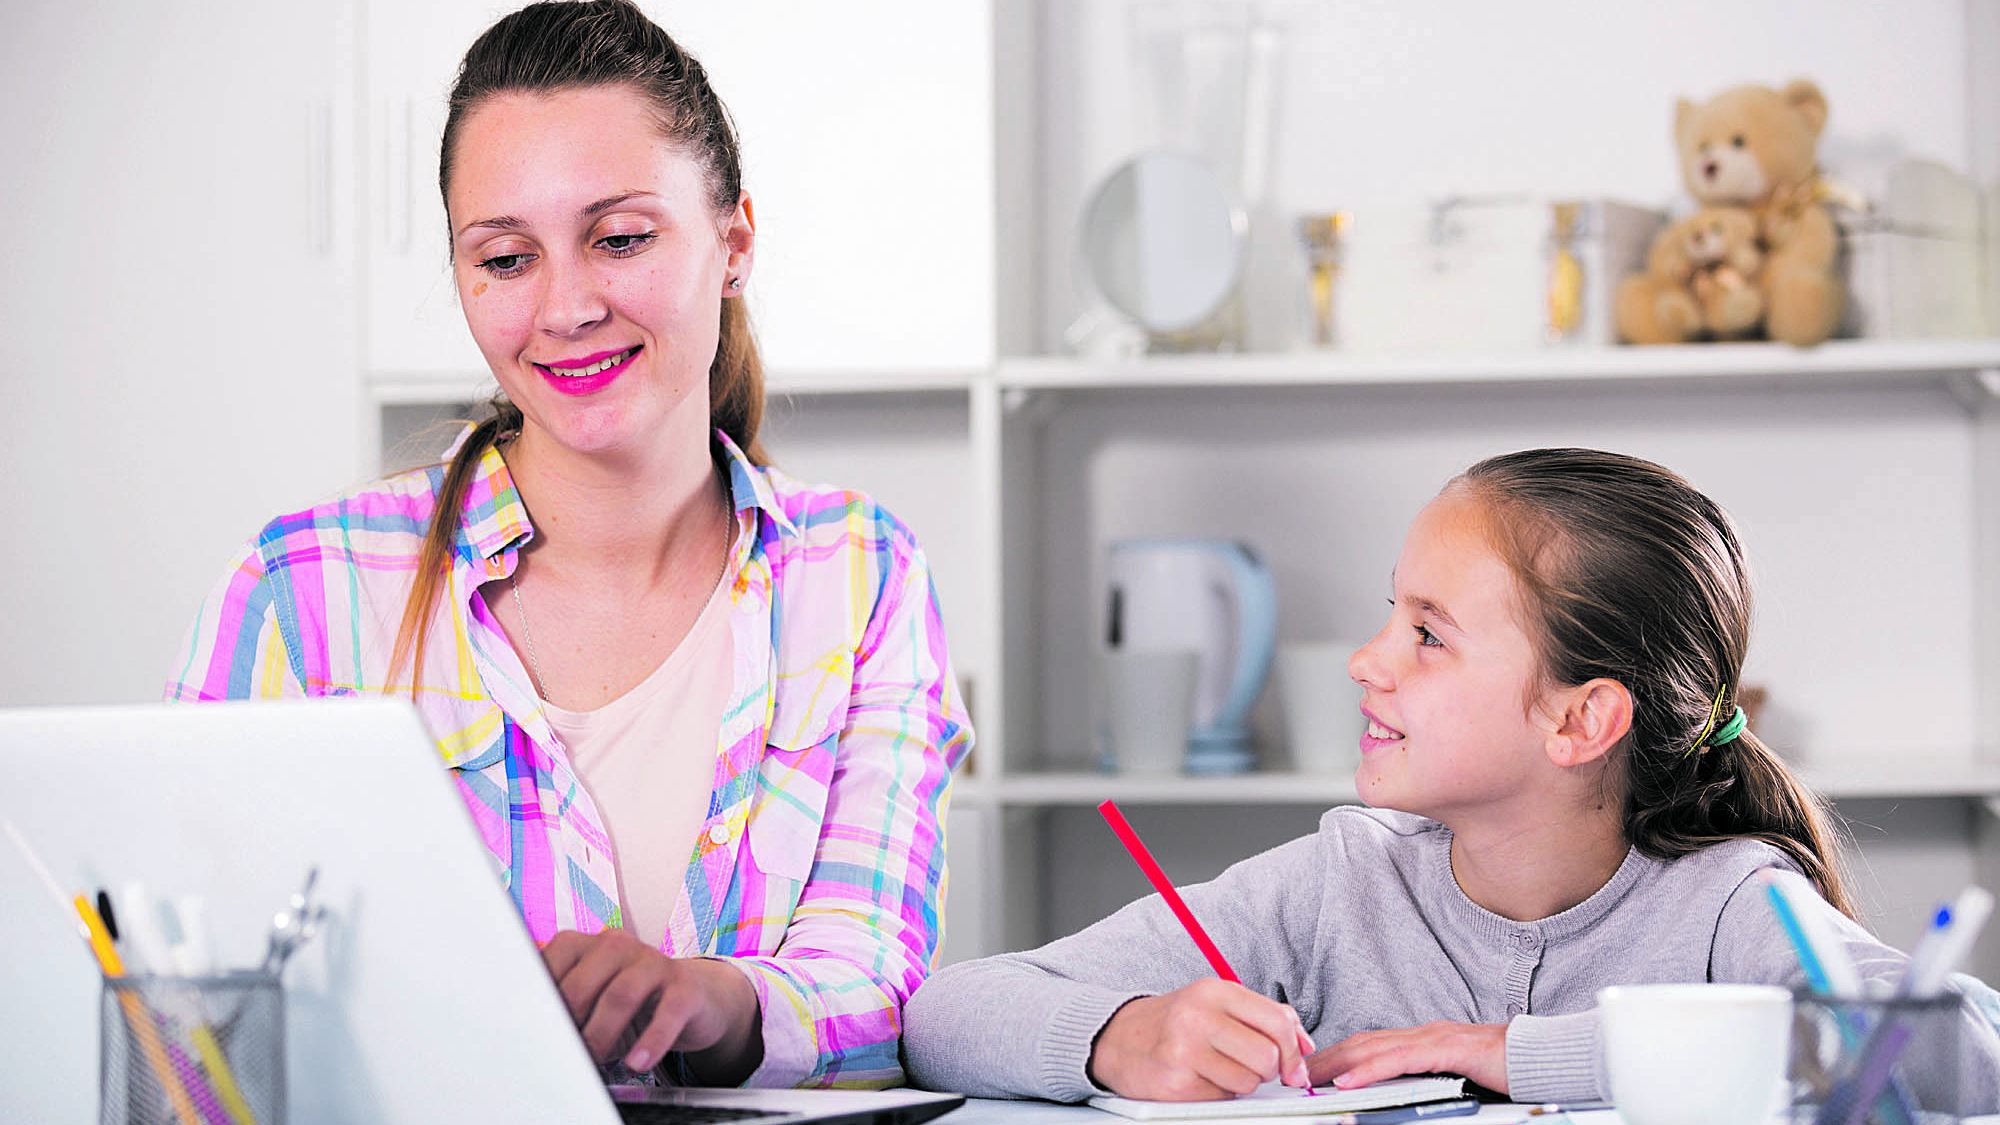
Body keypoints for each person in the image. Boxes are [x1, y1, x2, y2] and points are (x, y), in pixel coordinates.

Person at [165, 0, 970, 1089]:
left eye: (621, 238)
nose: (567, 306)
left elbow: (874, 975)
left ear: (731, 243)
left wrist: (715, 1002)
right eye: (504, 259)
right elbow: (199, 1003)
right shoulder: (303, 590)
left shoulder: (858, 571)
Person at [902, 448, 2000, 1105]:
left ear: (1581, 718)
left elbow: (1965, 1051)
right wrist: (1115, 1038)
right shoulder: (1336, 886)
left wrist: (1511, 1056)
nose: (1366, 660)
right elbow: (945, 1013)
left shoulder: (1724, 902)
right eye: (1392, 611)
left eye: (1427, 633)